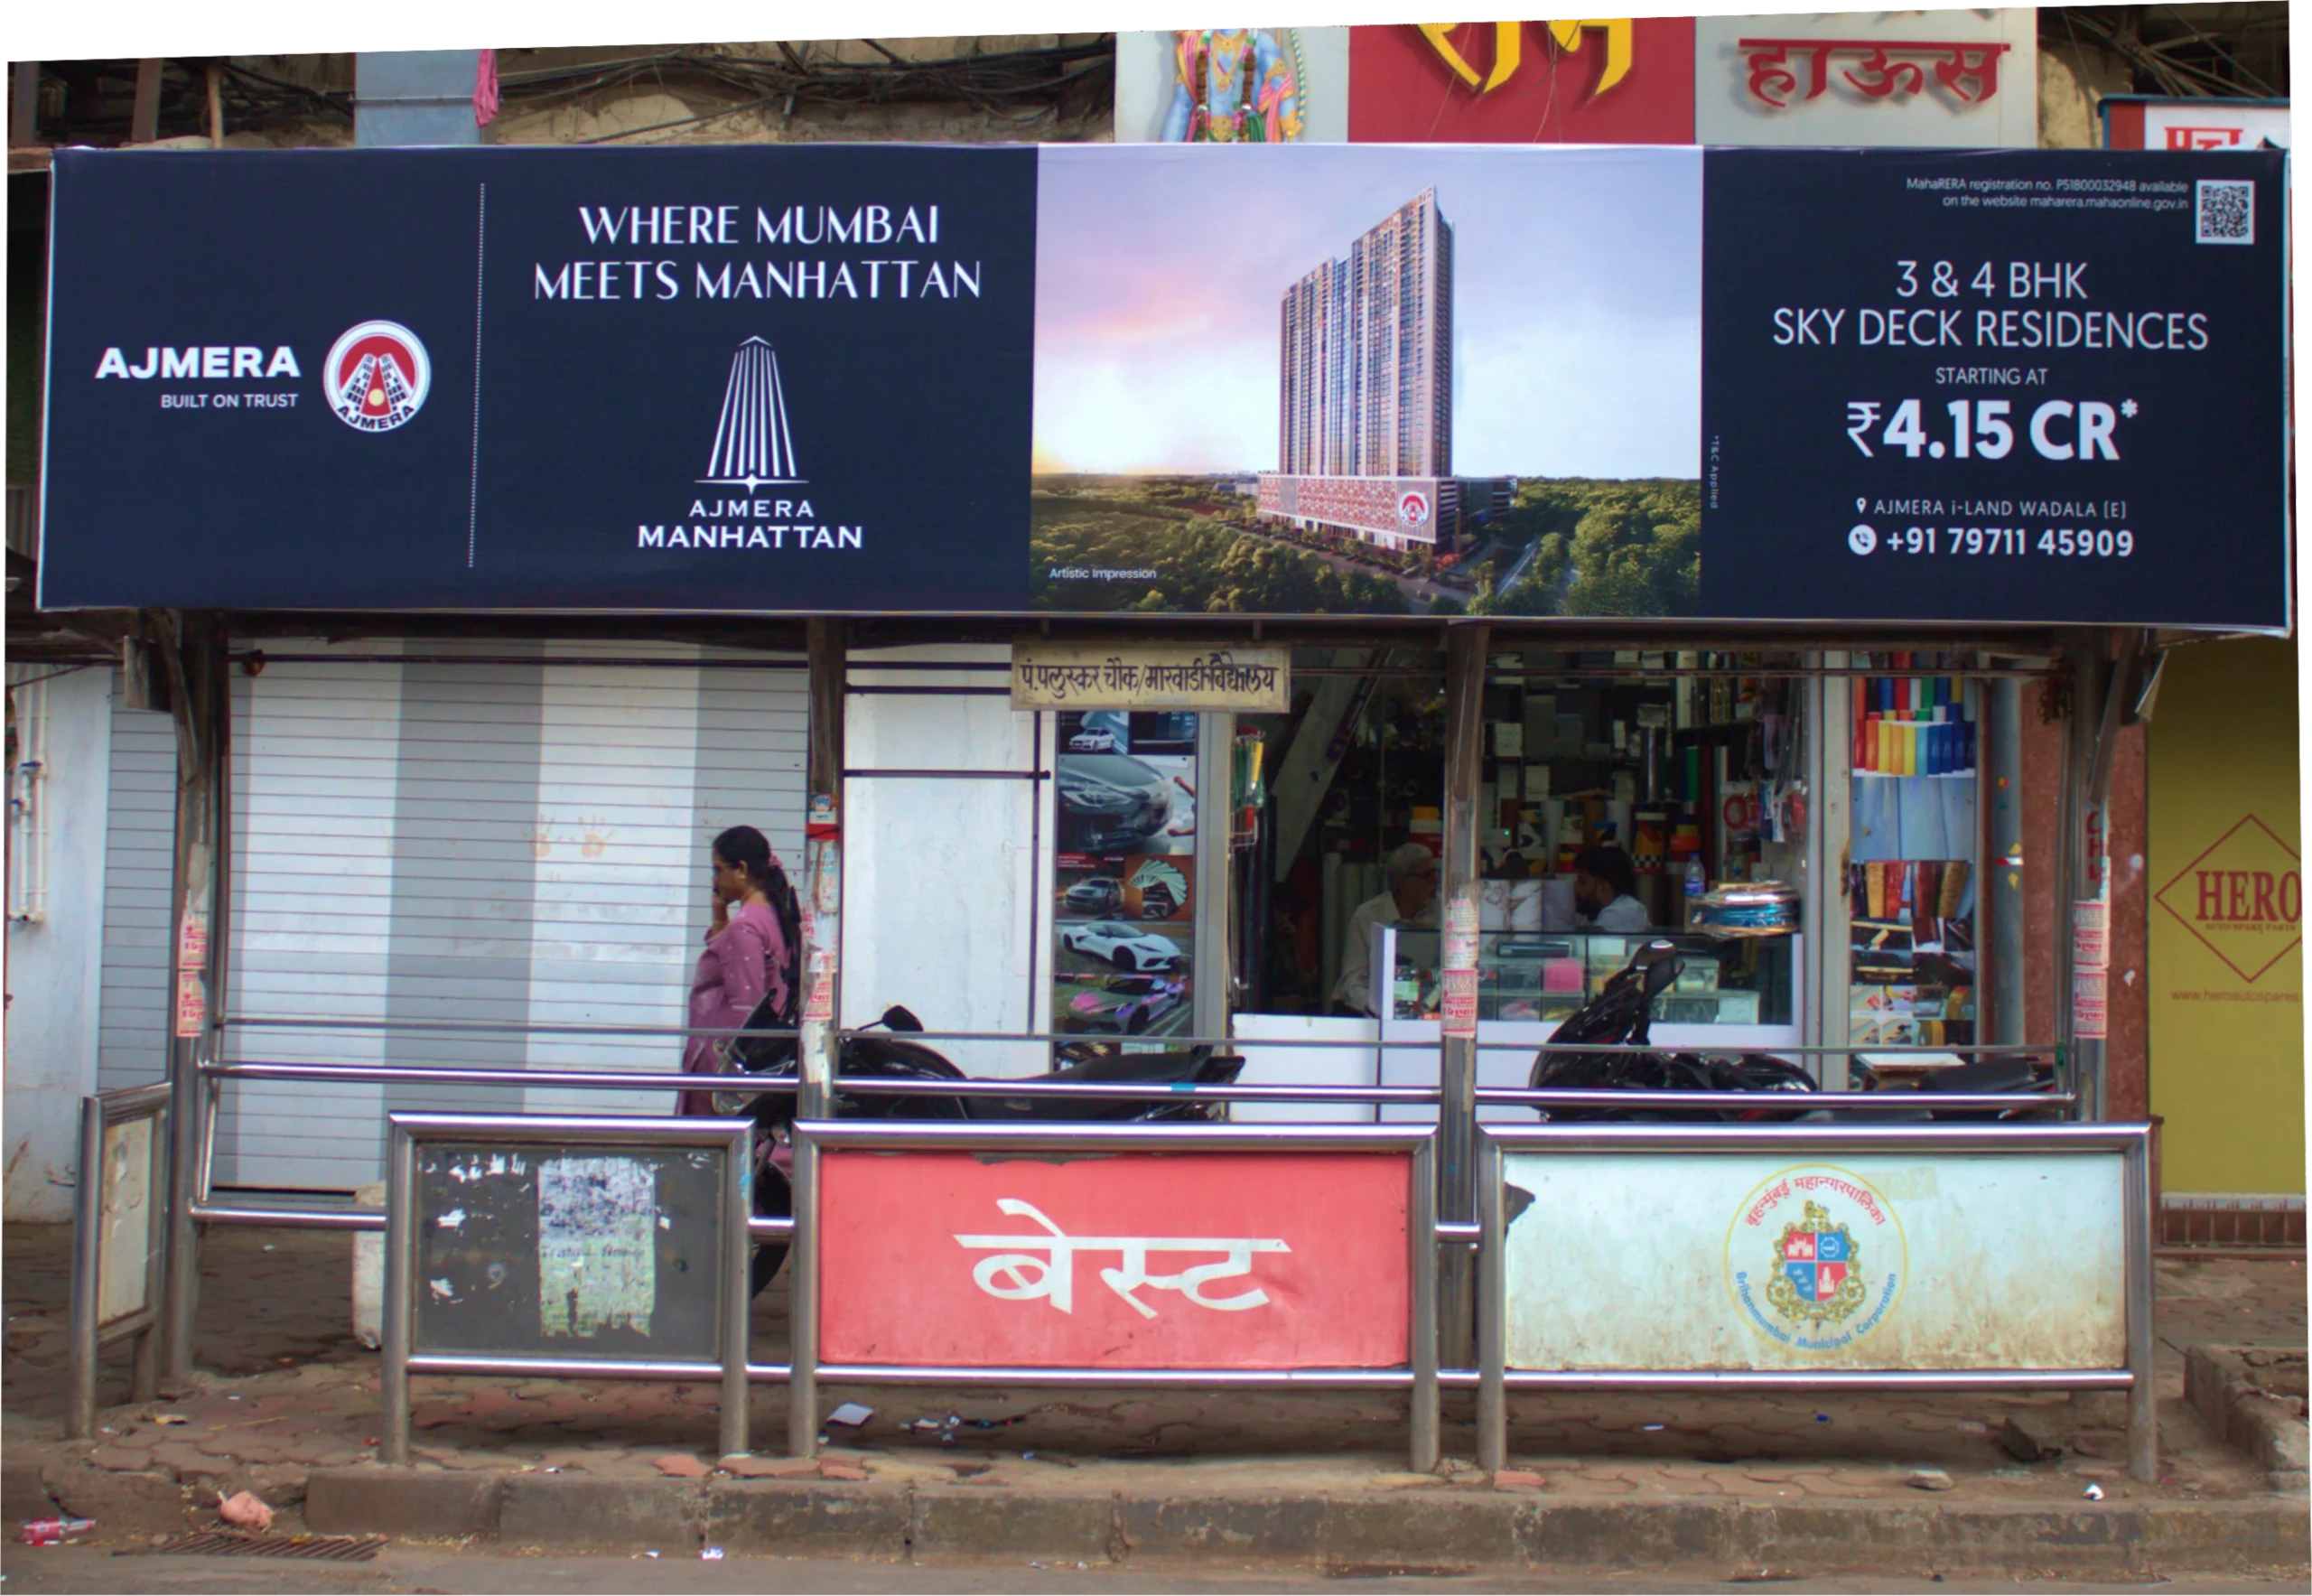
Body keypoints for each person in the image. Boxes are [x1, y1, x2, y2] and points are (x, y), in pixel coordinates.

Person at [681, 826, 800, 1116]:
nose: (714, 880)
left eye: (718, 869)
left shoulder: (746, 926)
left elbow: (744, 1007)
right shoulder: (772, 913)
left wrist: (731, 1080)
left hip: (726, 1059)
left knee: (715, 1153)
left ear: (742, 870)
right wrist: (719, 915)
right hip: (761, 1054)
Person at [1330, 843, 1441, 1016]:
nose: (1436, 881)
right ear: (1400, 882)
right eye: (1428, 875)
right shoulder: (1369, 915)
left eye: (1436, 873)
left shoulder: (1444, 912)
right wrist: (1384, 1009)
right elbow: (1352, 982)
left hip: (1424, 1007)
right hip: (1368, 1011)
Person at [1573, 844, 1650, 933]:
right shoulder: (1627, 907)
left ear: (1604, 888)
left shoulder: (1614, 916)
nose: (1576, 888)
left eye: (1583, 882)